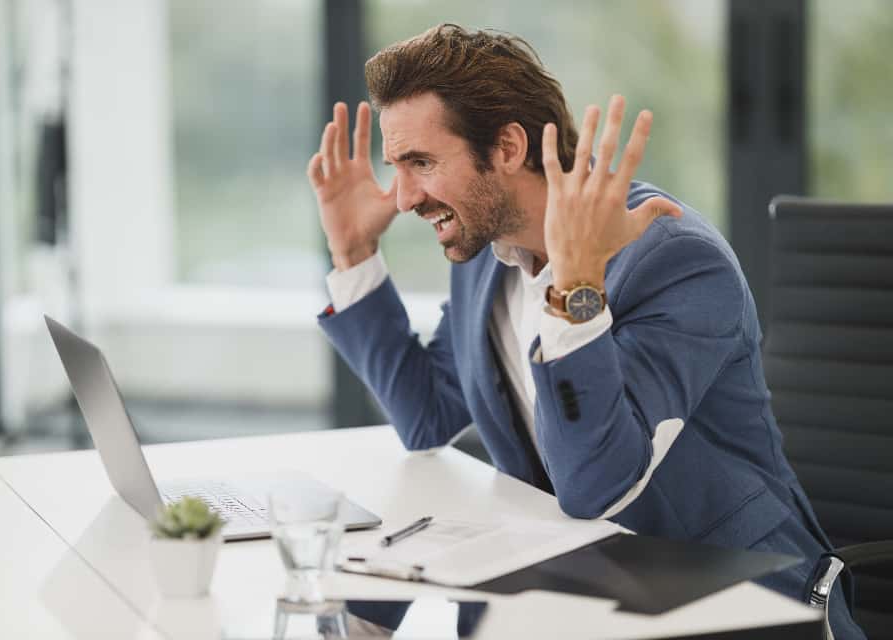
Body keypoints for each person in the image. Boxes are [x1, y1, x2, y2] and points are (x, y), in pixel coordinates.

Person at [307, 24, 863, 638]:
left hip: (726, 604)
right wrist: (354, 252)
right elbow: (427, 414)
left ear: (509, 148)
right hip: (569, 597)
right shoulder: (487, 256)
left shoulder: (674, 259)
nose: (404, 196)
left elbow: (596, 483)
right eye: (398, 167)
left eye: (422, 163)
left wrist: (573, 291)